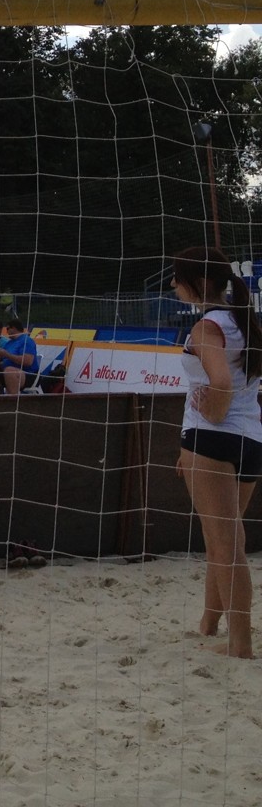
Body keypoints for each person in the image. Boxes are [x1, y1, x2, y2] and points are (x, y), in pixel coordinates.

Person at [170, 245, 262, 659]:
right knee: (224, 539)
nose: (173, 284)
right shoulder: (243, 319)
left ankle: (240, 644)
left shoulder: (206, 327)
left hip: (213, 439)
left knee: (226, 545)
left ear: (200, 282)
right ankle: (209, 623)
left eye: (177, 277)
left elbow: (220, 382)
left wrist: (212, 417)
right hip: (250, 440)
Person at [0, 318, 40, 394]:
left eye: (8, 328)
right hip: (10, 372)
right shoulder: (9, 343)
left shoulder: (27, 340)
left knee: (9, 371)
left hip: (28, 374)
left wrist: (7, 355)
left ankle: (13, 399)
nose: (6, 331)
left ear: (14, 328)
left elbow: (28, 361)